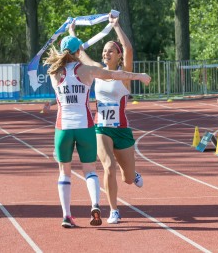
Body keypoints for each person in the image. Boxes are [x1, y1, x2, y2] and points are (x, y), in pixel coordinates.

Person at [44, 35, 150, 228]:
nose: (106, 53)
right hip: (91, 126)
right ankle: (102, 206)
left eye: (110, 50)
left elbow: (64, 93)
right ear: (78, 52)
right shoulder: (90, 70)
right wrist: (140, 76)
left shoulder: (53, 71)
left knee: (65, 172)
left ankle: (67, 215)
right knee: (98, 168)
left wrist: (72, 33)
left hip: (68, 127)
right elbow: (113, 75)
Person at [72, 14, 143, 224]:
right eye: (104, 51)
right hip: (101, 128)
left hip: (122, 129)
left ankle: (133, 174)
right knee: (108, 166)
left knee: (128, 179)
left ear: (118, 56)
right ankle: (114, 210)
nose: (105, 53)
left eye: (110, 50)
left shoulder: (125, 75)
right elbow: (80, 53)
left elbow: (129, 49)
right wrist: (72, 33)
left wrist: (116, 26)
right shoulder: (97, 71)